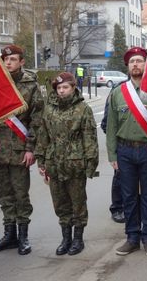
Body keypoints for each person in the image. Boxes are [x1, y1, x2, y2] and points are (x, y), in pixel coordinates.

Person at [107, 47, 147, 257]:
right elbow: (111, 127)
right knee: (128, 197)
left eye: (139, 61)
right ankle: (132, 237)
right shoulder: (118, 93)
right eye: (132, 61)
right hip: (125, 151)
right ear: (127, 66)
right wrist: (112, 155)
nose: (135, 64)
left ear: (146, 64)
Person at [0, 45, 44, 255]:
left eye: (12, 59)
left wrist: (30, 148)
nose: (8, 62)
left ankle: (23, 236)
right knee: (3, 195)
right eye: (5, 59)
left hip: (20, 150)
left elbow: (37, 120)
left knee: (21, 195)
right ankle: (9, 234)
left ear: (22, 62)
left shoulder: (31, 86)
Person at [36, 72, 98, 256]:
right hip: (54, 162)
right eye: (59, 88)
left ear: (73, 88)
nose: (61, 91)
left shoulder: (82, 109)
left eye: (65, 87)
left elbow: (89, 137)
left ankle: (78, 238)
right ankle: (66, 238)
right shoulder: (49, 109)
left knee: (77, 202)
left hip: (75, 163)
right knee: (60, 203)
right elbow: (43, 135)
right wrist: (41, 160)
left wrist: (90, 163)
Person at [101, 96, 125, 224]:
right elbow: (106, 123)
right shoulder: (118, 91)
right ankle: (118, 208)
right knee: (120, 177)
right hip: (123, 147)